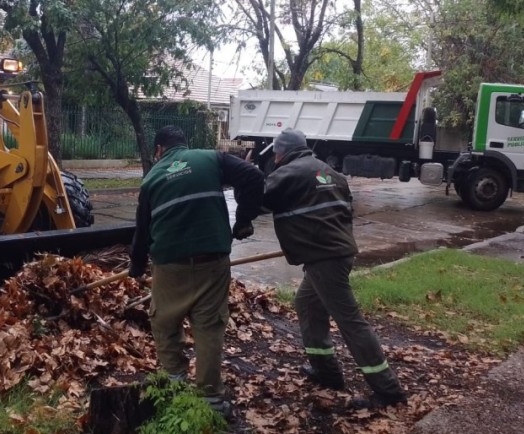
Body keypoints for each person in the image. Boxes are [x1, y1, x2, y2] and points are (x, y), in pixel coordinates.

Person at [262, 127, 407, 408]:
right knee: (307, 304)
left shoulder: (288, 172)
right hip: (340, 252)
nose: (276, 157)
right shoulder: (331, 173)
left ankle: (388, 390)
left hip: (324, 258)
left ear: (282, 152)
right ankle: (325, 371)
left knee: (350, 321)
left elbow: (259, 197)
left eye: (277, 152)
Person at [129, 125, 264, 417]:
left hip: (170, 265)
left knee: (165, 323)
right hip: (212, 261)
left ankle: (175, 387)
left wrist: (136, 266)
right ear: (185, 145)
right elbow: (253, 176)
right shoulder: (210, 158)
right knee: (209, 327)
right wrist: (243, 220)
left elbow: (142, 230)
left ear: (159, 151)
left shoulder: (151, 178)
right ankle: (210, 401)